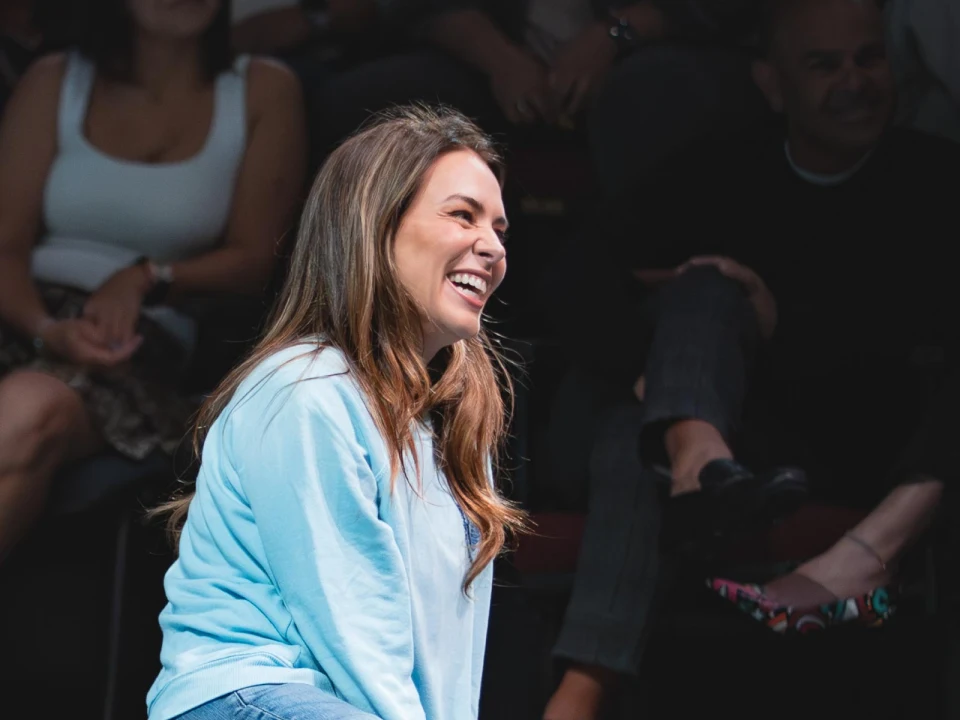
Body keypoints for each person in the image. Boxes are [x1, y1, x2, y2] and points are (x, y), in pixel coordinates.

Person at [541, 0, 959, 716]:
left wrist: (779, 323)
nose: (853, 82)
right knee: (702, 293)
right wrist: (645, 368)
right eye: (823, 65)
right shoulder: (728, 164)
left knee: (643, 418)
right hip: (740, 451)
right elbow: (574, 279)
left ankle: (583, 689)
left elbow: (922, 353)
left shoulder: (935, 182)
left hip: (854, 435)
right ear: (772, 84)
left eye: (868, 59)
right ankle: (691, 450)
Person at [146, 106, 524, 720]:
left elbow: (446, 663)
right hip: (245, 696)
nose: (492, 247)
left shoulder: (453, 426)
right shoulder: (306, 389)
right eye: (463, 215)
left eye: (500, 228)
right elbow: (353, 629)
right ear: (375, 226)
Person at [0, 0, 306, 561]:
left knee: (22, 416)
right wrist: (45, 330)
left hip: (136, 340)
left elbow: (257, 260)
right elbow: (6, 248)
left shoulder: (262, 88)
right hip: (22, 311)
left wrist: (147, 277)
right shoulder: (55, 81)